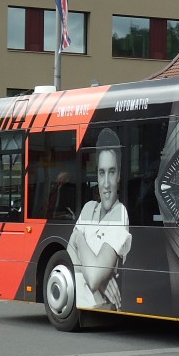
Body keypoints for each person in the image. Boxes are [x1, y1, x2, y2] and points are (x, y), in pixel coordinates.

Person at [66, 128, 130, 311]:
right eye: (102, 173)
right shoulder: (88, 208)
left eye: (112, 172)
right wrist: (101, 280)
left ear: (119, 176)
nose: (107, 184)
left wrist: (79, 239)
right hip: (83, 304)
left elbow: (93, 277)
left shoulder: (120, 214)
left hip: (99, 307)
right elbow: (68, 255)